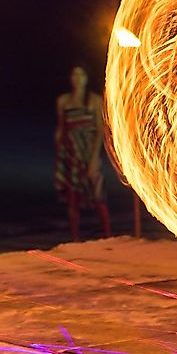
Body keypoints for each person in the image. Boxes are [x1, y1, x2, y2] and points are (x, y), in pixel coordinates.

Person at [55, 66, 110, 242]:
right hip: (70, 152)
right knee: (73, 197)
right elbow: (61, 128)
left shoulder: (94, 100)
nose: (77, 78)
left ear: (87, 78)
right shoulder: (63, 101)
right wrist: (60, 153)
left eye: (81, 74)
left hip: (88, 150)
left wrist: (94, 157)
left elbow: (100, 131)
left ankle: (108, 235)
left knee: (97, 193)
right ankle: (75, 238)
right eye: (74, 74)